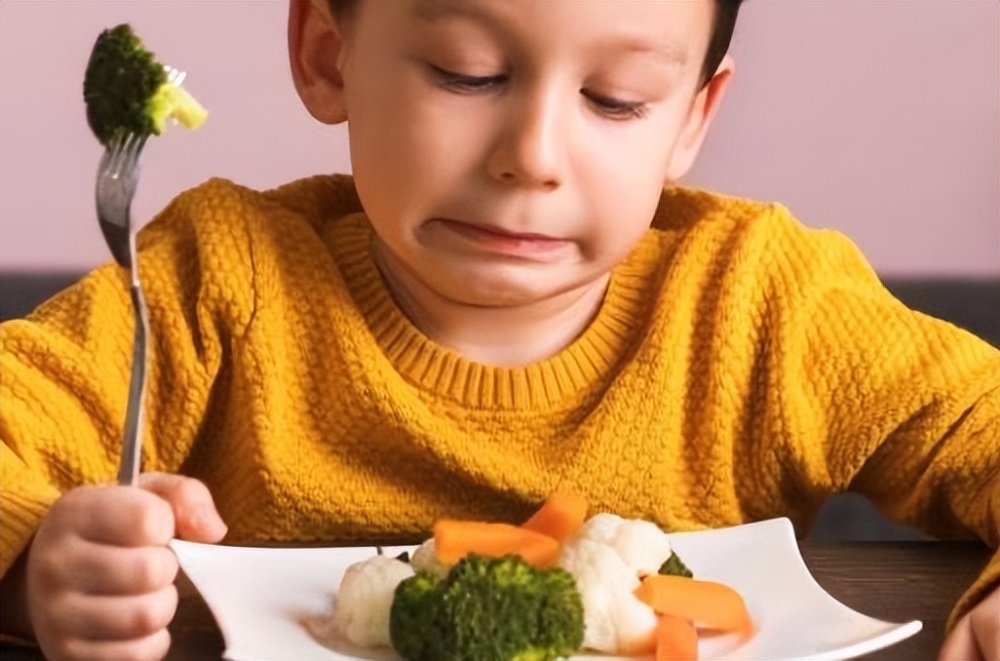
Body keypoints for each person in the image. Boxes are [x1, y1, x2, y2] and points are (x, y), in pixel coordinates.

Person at [1, 0, 997, 659]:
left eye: (616, 100)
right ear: (326, 53)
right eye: (466, 72)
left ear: (691, 118)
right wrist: (38, 566)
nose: (532, 156)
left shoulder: (763, 304)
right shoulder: (219, 279)